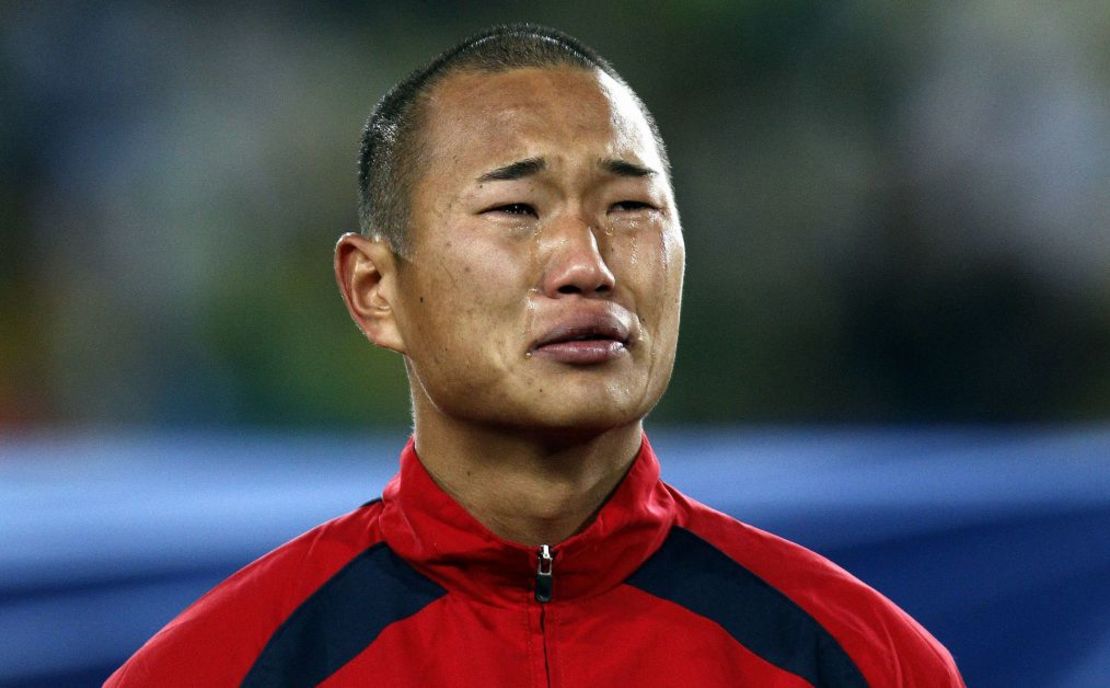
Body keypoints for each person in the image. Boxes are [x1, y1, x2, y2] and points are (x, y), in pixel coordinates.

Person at [106, 24, 964, 687]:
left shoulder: (862, 660)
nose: (589, 266)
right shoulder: (220, 668)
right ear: (374, 289)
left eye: (630, 207)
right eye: (517, 210)